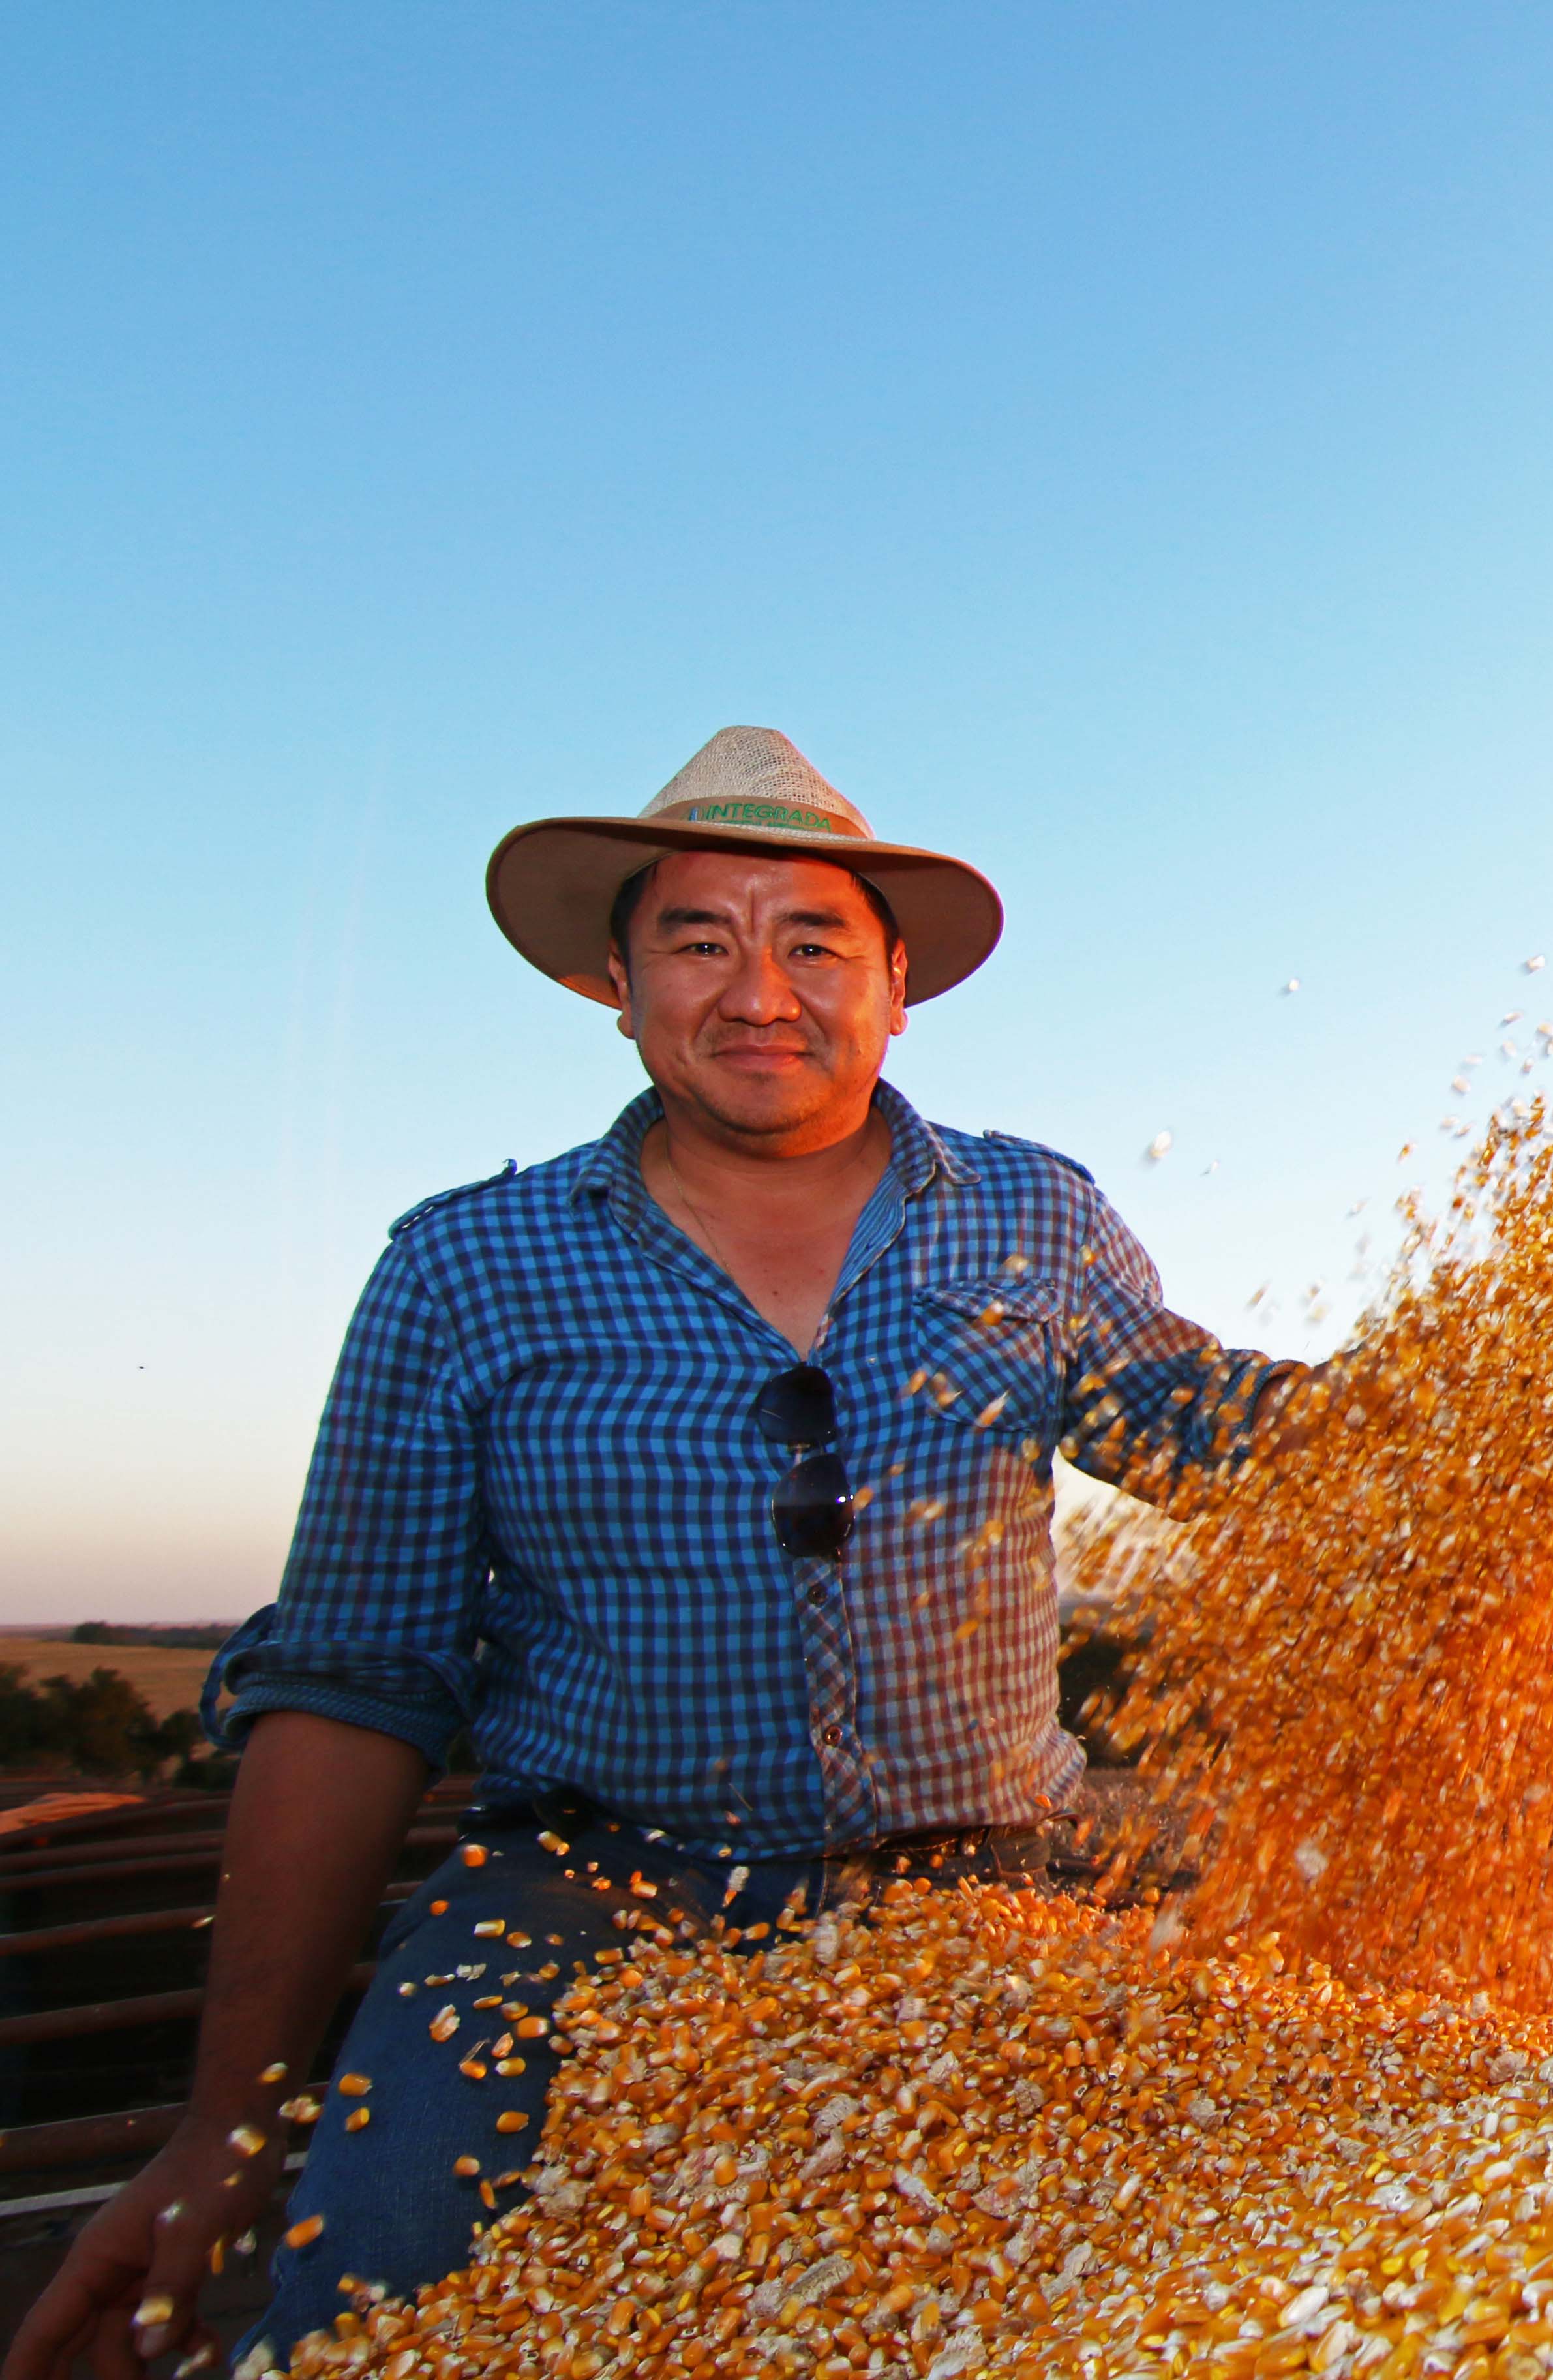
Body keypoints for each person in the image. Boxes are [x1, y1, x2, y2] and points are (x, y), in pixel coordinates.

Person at [4, 729, 1308, 2379]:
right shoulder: (468, 1267)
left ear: (896, 986)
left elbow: (1210, 1425)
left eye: (814, 940)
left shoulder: (1031, 1216)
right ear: (615, 988)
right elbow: (352, 1686)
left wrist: (1493, 1404)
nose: (760, 988)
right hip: (582, 1901)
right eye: (700, 939)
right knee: (388, 2290)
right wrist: (229, 2125)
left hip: (990, 1890)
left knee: (1167, 2284)